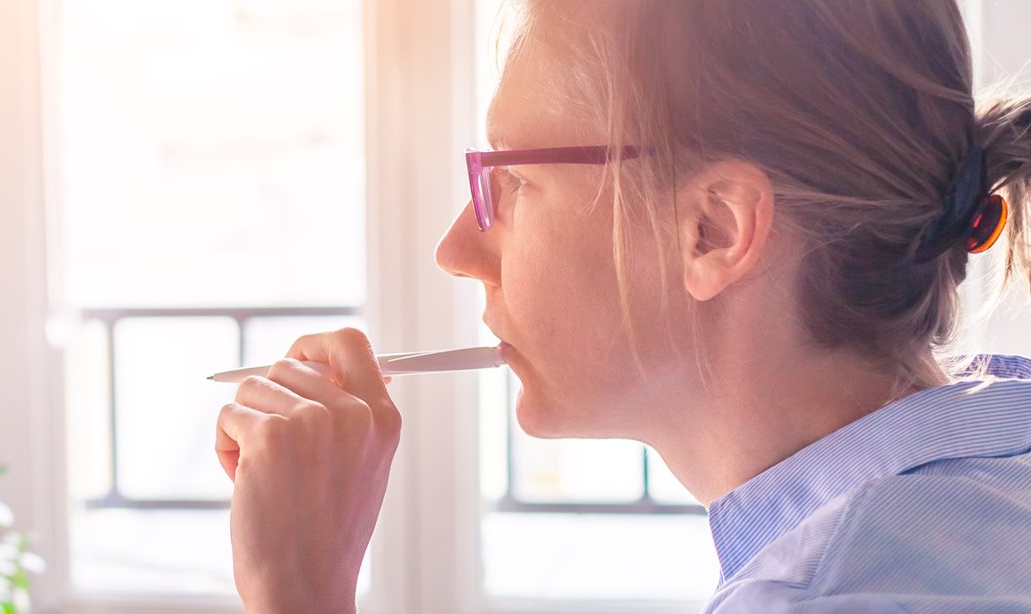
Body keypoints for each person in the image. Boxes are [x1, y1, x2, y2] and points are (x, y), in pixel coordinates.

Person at [213, 1, 1031, 611]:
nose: (456, 251)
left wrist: (297, 591)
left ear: (714, 230)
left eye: (514, 181)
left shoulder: (824, 595)